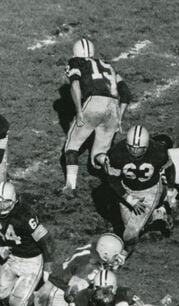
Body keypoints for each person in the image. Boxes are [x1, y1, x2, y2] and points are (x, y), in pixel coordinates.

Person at [60, 38, 132, 199]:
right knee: (98, 156)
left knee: (71, 147)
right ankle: (112, 168)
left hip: (93, 103)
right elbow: (126, 93)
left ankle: (70, 186)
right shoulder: (108, 65)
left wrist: (79, 110)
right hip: (113, 107)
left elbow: (75, 85)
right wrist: (119, 116)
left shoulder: (76, 62)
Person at [0, 181, 55, 306]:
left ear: (15, 200)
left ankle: (37, 293)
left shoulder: (25, 214)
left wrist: (48, 266)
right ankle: (20, 290)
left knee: (16, 305)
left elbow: (46, 239)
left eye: (5, 203)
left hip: (31, 260)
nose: (1, 207)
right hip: (11, 257)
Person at [95, 125, 171, 249]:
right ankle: (157, 213)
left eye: (140, 149)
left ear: (147, 146)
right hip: (127, 188)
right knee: (128, 224)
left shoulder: (158, 150)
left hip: (150, 190)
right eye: (131, 148)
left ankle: (123, 255)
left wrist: (171, 189)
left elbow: (170, 168)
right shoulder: (116, 153)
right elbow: (113, 181)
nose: (135, 152)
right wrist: (129, 199)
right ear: (126, 144)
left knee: (131, 232)